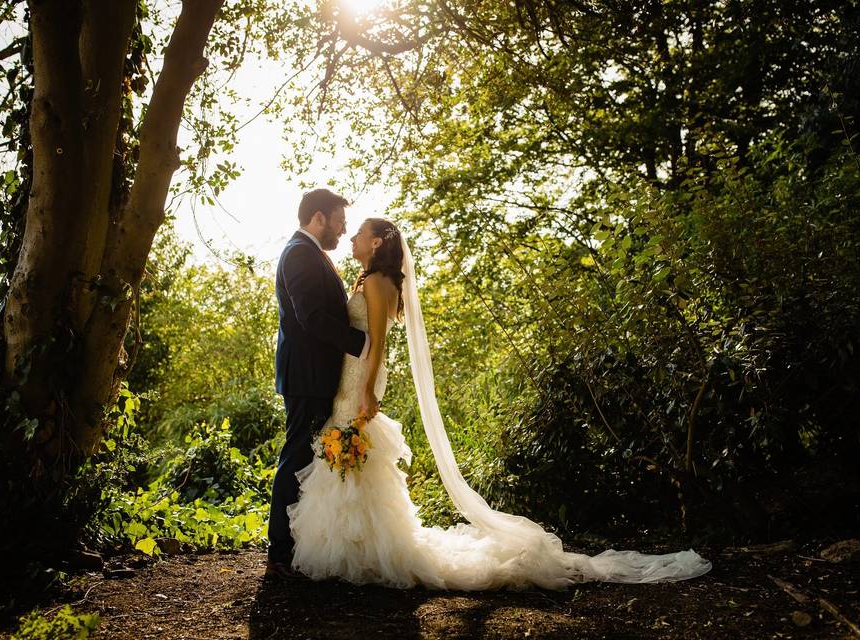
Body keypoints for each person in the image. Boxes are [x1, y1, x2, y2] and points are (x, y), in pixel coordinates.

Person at [283, 217, 713, 589]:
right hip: (349, 379)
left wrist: (364, 391)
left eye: (360, 233)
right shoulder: (369, 279)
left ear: (377, 243)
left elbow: (374, 344)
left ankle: (363, 552)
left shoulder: (378, 282)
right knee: (349, 459)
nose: (352, 236)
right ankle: (354, 548)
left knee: (352, 455)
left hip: (358, 381)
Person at [267, 188, 371, 577]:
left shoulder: (312, 254)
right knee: (295, 458)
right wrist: (361, 343)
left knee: (305, 458)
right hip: (306, 376)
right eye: (340, 223)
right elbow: (310, 317)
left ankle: (295, 547)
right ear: (319, 217)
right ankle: (279, 553)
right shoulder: (299, 254)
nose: (343, 232)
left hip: (316, 375)